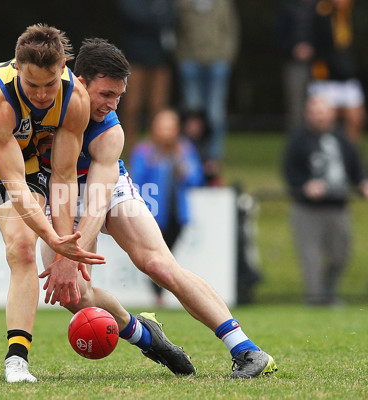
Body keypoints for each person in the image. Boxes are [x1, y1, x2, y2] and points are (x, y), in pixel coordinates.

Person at [38, 38, 277, 378]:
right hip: (58, 194)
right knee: (72, 295)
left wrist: (69, 254)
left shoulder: (110, 131)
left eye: (119, 96)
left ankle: (248, 350)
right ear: (80, 81)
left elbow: (99, 199)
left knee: (160, 265)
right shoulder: (43, 103)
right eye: (106, 94)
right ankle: (144, 335)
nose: (112, 104)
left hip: (105, 190)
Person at [0, 24, 104, 384]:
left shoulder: (74, 98)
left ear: (62, 67)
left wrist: (63, 249)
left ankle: (17, 360)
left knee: (23, 249)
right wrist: (53, 236)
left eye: (49, 84)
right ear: (17, 67)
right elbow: (10, 181)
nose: (43, 95)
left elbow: (62, 176)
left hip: (25, 170)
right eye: (33, 86)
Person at [283, 94, 368, 305]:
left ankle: (328, 295)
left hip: (338, 206)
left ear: (331, 113)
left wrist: (362, 182)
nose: (318, 116)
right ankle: (315, 301)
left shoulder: (342, 138)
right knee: (310, 258)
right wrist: (304, 185)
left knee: (340, 255)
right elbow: (289, 170)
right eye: (314, 112)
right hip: (307, 209)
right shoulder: (298, 138)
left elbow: (355, 167)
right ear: (307, 114)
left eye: (322, 111)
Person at [129, 109, 205, 307]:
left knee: (169, 255)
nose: (166, 133)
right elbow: (135, 180)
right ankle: (159, 294)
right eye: (163, 127)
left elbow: (196, 178)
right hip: (152, 214)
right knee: (155, 256)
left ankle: (162, 293)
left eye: (170, 127)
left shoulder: (184, 150)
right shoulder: (144, 151)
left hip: (177, 214)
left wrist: (184, 170)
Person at [175, 0, 240, 176]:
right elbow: (177, 32)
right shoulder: (183, 4)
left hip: (217, 62)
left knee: (215, 114)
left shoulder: (223, 4)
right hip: (191, 62)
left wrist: (225, 56)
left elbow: (231, 30)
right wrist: (182, 57)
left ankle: (213, 159)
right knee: (192, 115)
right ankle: (189, 158)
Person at [115, 0, 178, 158]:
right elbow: (134, 16)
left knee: (158, 106)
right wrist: (157, 15)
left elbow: (174, 17)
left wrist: (153, 17)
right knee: (132, 107)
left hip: (160, 60)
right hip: (134, 59)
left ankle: (156, 153)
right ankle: (131, 151)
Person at [308, 0, 365, 144]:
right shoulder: (321, 14)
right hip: (326, 80)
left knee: (356, 118)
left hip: (347, 78)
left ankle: (350, 154)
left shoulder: (349, 16)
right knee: (324, 121)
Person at [275, 0, 317, 134]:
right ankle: (297, 144)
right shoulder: (288, 8)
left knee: (319, 105)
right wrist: (294, 49)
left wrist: (314, 49)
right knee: (296, 107)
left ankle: (318, 144)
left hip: (319, 65)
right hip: (294, 64)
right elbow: (279, 38)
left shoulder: (323, 8)